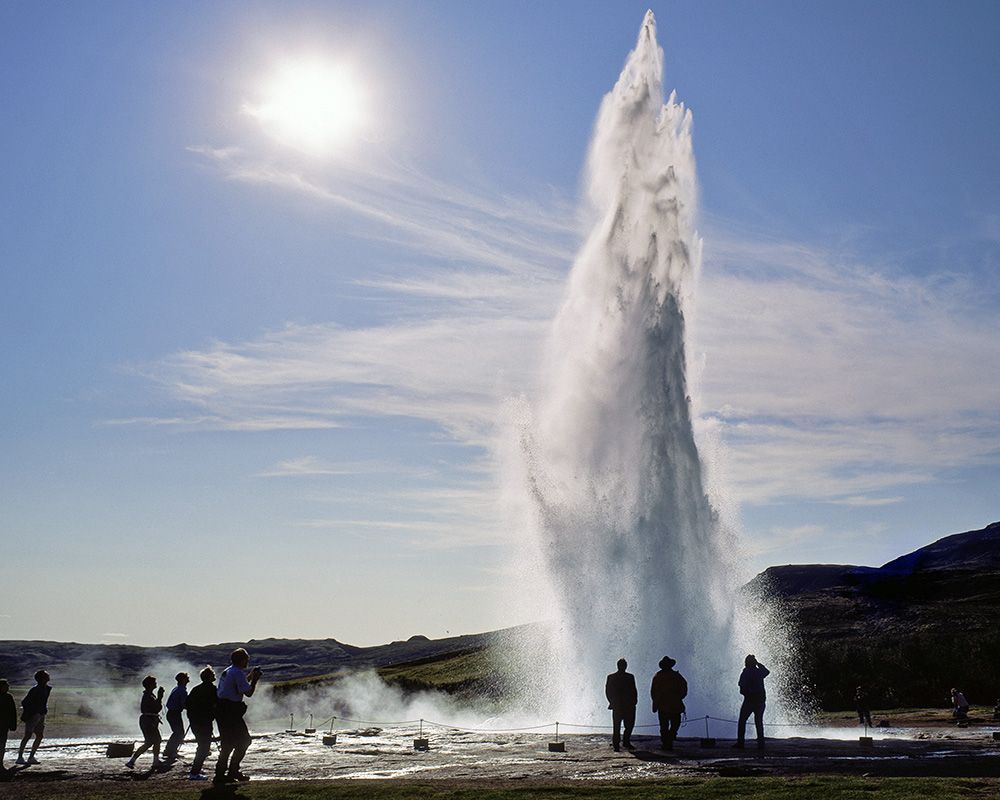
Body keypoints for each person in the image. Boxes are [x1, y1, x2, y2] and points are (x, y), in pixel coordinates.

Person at [214, 648, 262, 785]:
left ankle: (222, 772)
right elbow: (248, 693)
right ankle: (231, 771)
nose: (248, 661)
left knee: (227, 743)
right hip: (230, 711)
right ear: (242, 660)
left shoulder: (229, 670)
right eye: (246, 659)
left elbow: (237, 686)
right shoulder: (237, 673)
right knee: (244, 740)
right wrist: (255, 680)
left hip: (223, 710)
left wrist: (249, 677)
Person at [125, 675, 165, 770]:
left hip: (147, 720)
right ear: (150, 685)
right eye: (154, 683)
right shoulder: (149, 696)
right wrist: (160, 697)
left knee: (151, 742)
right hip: (149, 721)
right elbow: (156, 709)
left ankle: (134, 761)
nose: (156, 684)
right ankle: (153, 761)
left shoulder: (148, 695)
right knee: (154, 741)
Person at [186, 666, 218, 780]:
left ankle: (196, 770)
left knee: (202, 745)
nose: (215, 676)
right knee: (204, 747)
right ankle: (194, 773)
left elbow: (187, 705)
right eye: (213, 674)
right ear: (209, 677)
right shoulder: (212, 689)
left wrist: (192, 717)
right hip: (204, 722)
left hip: (195, 722)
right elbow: (216, 705)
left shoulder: (195, 689)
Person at [650, 656, 688, 750]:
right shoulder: (676, 676)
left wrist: (656, 702)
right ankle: (669, 740)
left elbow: (653, 691)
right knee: (674, 724)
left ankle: (667, 741)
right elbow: (684, 688)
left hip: (664, 705)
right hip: (674, 705)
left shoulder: (658, 676)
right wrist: (679, 697)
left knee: (665, 725)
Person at [734, 654, 769, 749]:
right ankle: (761, 744)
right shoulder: (759, 672)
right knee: (759, 722)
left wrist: (747, 693)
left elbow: (741, 687)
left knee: (742, 721)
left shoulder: (745, 672)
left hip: (749, 701)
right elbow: (767, 671)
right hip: (760, 701)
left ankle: (740, 743)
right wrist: (758, 664)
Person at [17, 669, 51, 765]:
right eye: (46, 675)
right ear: (42, 678)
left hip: (41, 714)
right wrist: (34, 711)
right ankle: (20, 757)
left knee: (39, 736)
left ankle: (31, 757)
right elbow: (25, 702)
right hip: (34, 715)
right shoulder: (35, 690)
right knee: (28, 735)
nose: (48, 676)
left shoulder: (46, 689)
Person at [605, 659, 638, 751]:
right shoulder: (629, 677)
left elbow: (608, 691)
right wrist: (612, 701)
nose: (624, 666)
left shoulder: (613, 677)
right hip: (625, 705)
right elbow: (608, 691)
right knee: (624, 725)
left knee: (621, 725)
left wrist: (612, 702)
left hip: (622, 705)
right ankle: (622, 742)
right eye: (623, 665)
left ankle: (621, 743)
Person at [162, 672, 190, 762]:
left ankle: (169, 750)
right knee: (179, 732)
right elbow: (185, 704)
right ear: (183, 680)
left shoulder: (176, 688)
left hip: (172, 713)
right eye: (187, 678)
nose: (189, 679)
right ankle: (171, 751)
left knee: (177, 732)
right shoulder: (182, 690)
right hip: (174, 713)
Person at [0, 679, 17, 774]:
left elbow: (12, 712)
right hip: (3, 725)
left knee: (2, 746)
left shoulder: (8, 697)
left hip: (3, 726)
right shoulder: (7, 697)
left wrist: (12, 725)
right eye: (6, 686)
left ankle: (0, 764)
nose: (7, 687)